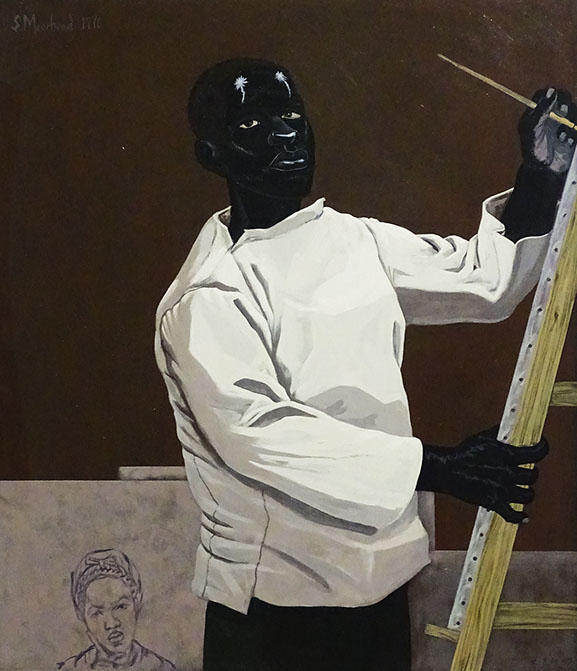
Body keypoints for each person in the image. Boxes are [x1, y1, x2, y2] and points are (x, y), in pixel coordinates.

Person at [154, 59, 575, 670]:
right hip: (276, 608)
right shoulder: (208, 295)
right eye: (254, 124)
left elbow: (485, 281)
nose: (287, 134)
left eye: (292, 115)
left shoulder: (355, 241)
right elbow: (265, 438)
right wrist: (440, 468)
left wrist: (540, 173)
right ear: (211, 155)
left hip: (378, 588)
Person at [57, 549, 175, 670]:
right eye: (97, 613)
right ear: (82, 615)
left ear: (136, 602)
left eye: (121, 607)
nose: (111, 624)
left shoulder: (160, 667)